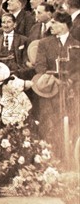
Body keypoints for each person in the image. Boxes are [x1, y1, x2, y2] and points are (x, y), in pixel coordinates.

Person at [33, 11, 80, 156]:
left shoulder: (77, 45)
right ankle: (48, 154)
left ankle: (69, 155)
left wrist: (70, 80)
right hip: (50, 88)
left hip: (71, 89)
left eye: (54, 22)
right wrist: (53, 79)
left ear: (65, 25)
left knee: (72, 121)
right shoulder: (44, 43)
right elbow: (40, 66)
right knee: (48, 122)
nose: (50, 25)